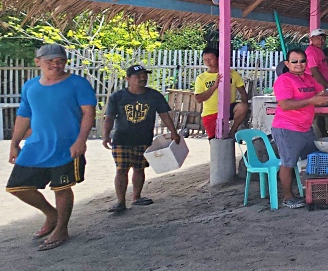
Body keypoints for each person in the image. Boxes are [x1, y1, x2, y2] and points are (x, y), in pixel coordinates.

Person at [6, 44, 97, 251]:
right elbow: (24, 115)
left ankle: (62, 228)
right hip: (36, 146)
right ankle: (51, 214)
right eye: (50, 61)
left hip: (67, 146)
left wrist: (81, 140)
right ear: (37, 61)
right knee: (17, 187)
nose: (56, 65)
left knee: (61, 188)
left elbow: (88, 113)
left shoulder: (78, 84)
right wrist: (14, 143)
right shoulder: (30, 86)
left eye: (60, 61)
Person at [102, 64, 182, 214]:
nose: (142, 78)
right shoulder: (118, 97)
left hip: (144, 138)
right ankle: (120, 201)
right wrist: (106, 136)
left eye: (144, 75)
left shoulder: (154, 96)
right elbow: (109, 117)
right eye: (138, 76)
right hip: (122, 139)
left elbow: (165, 114)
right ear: (128, 79)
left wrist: (174, 132)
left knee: (139, 169)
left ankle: (136, 197)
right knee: (121, 169)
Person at [272, 47, 328, 208]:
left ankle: (311, 193)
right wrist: (311, 101)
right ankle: (288, 197)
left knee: (311, 160)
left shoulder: (309, 78)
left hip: (306, 128)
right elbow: (285, 105)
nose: (299, 64)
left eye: (302, 61)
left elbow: (323, 92)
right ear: (287, 63)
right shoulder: (284, 80)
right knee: (288, 163)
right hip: (287, 128)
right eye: (294, 61)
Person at [192, 47, 248, 139]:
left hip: (228, 109)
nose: (208, 62)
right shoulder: (201, 78)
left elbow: (242, 92)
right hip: (210, 113)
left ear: (218, 58)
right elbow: (199, 99)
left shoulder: (232, 74)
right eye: (205, 60)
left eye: (210, 59)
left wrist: (245, 109)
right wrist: (214, 86)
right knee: (215, 143)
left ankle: (233, 131)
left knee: (243, 107)